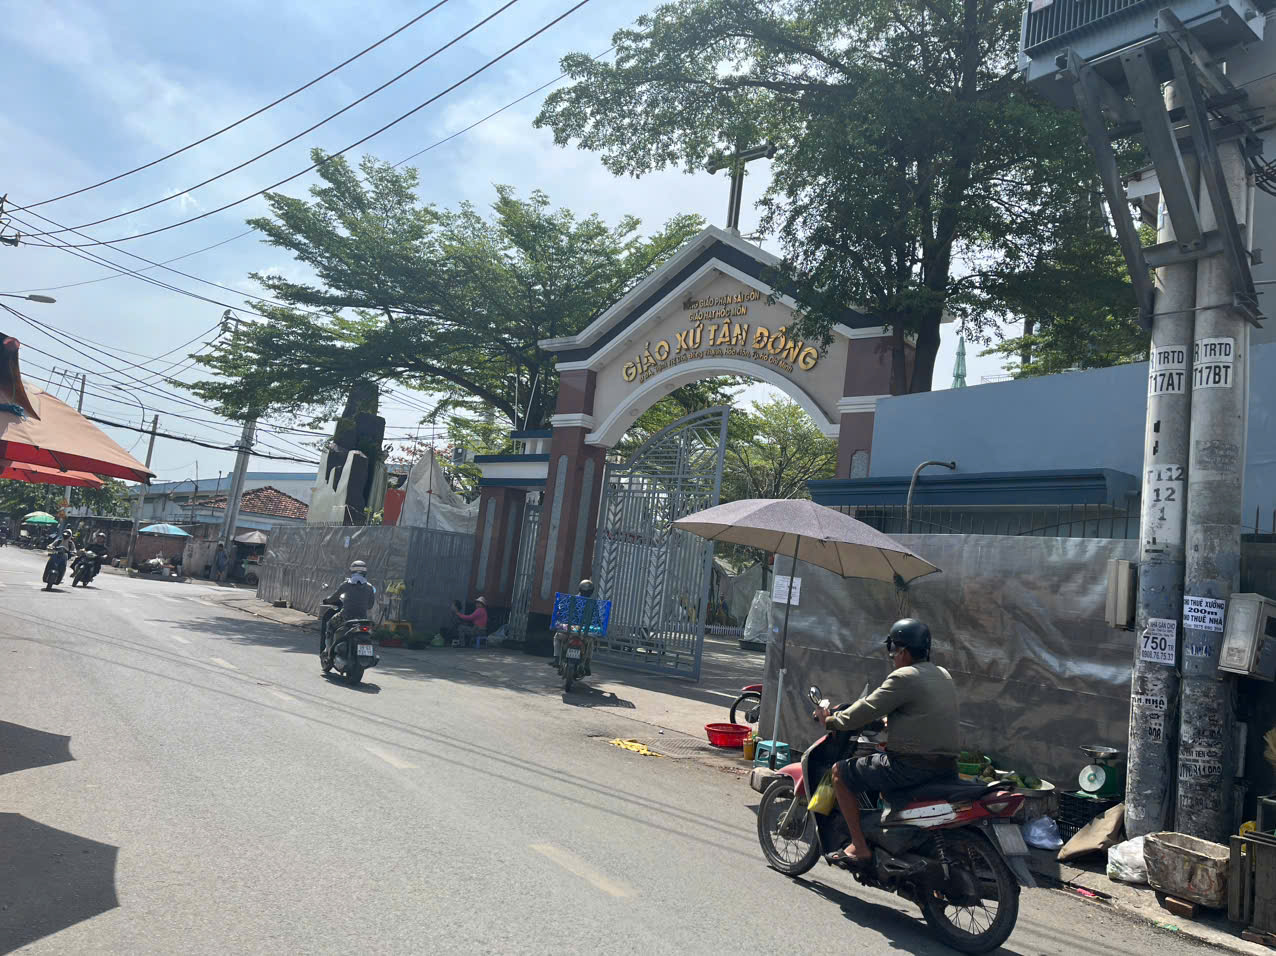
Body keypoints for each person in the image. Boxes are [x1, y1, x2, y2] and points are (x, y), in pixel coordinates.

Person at [815, 618, 960, 865]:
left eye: (893, 650)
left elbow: (866, 708)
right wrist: (888, 722)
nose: (893, 657)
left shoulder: (904, 676)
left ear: (902, 651)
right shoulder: (943, 674)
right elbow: (924, 714)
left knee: (840, 773)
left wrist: (831, 720)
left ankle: (859, 846)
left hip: (910, 766)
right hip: (946, 766)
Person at [320, 560, 377, 660]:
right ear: (365, 572)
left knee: (330, 624)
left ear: (352, 571)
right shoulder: (369, 587)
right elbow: (370, 606)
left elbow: (335, 597)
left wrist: (327, 600)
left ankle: (328, 651)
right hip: (362, 619)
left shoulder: (347, 584)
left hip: (346, 616)